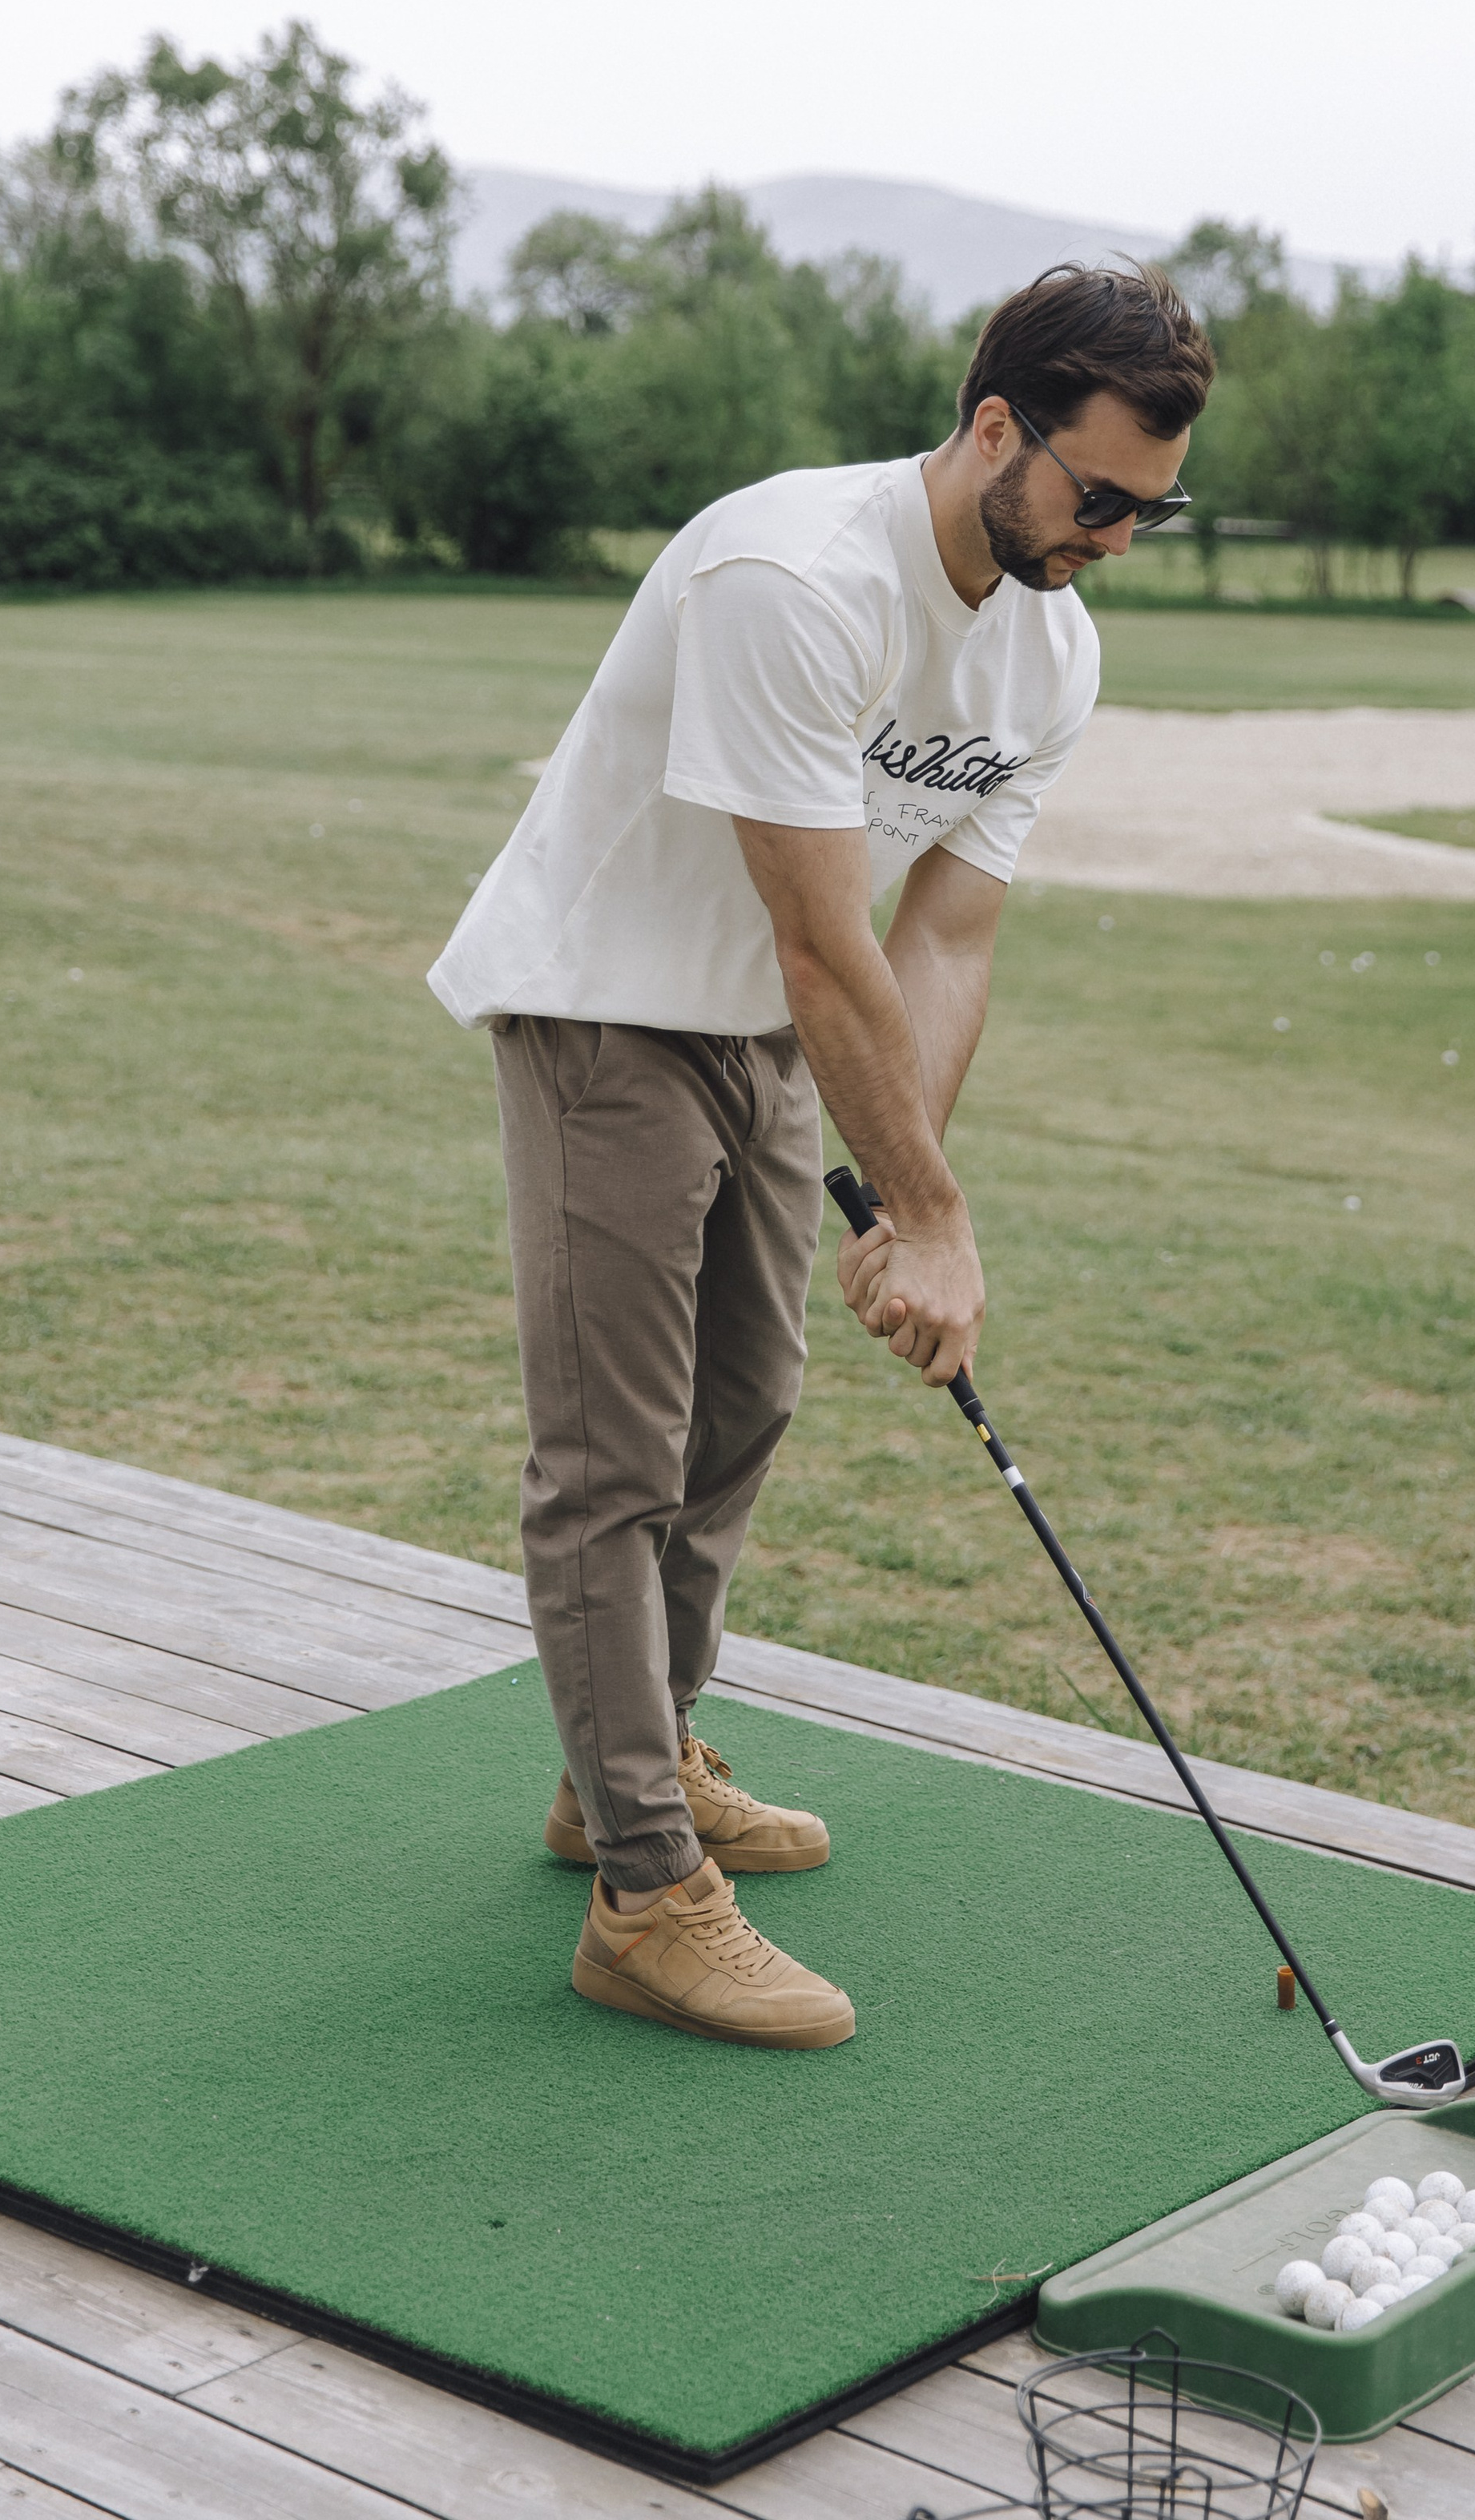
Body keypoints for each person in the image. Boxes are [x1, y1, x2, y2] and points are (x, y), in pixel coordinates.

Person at [429, 262, 1213, 2047]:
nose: (1112, 541)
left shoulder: (1054, 647)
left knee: (743, 1406)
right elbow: (819, 931)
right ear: (995, 427)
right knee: (612, 1460)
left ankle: (625, 1768)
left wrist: (909, 1188)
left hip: (776, 1034)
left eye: (1150, 514)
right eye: (1097, 498)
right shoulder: (792, 577)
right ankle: (642, 1891)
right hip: (609, 1004)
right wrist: (928, 1210)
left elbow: (946, 935)